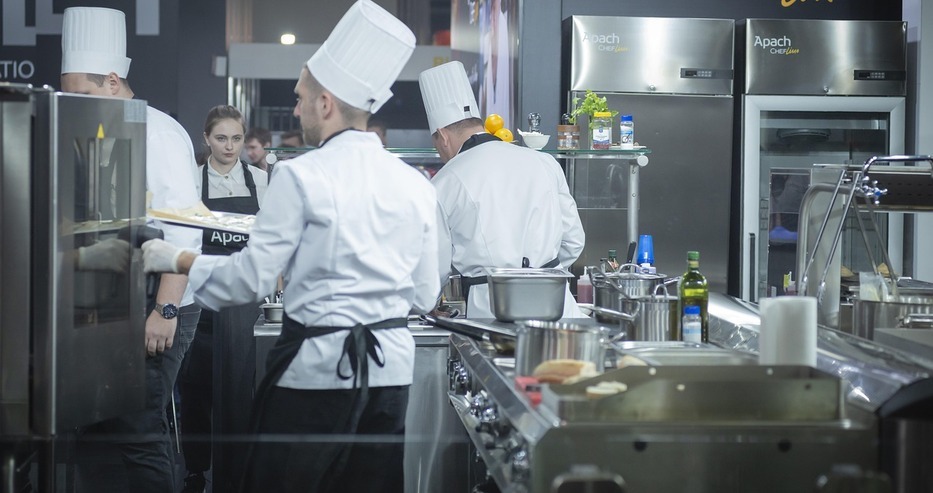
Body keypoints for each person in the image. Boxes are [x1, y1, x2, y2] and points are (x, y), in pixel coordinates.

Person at [141, 2, 439, 492]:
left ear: (325, 103)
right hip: (390, 374)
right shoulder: (415, 184)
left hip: (315, 374)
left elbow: (250, 279)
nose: (296, 110)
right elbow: (425, 295)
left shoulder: (300, 176)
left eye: (300, 98)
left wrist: (180, 258)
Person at [59, 7, 202, 493]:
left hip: (157, 303)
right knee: (97, 426)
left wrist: (165, 310)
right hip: (109, 303)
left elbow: (183, 232)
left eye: (79, 94)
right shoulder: (93, 131)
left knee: (138, 430)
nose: (70, 104)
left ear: (113, 81)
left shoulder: (156, 132)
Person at [419, 60, 585, 319]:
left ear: (443, 136)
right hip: (556, 308)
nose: (440, 153)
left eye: (437, 145)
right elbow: (573, 241)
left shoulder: (444, 182)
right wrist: (540, 274)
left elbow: (434, 268)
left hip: (492, 313)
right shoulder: (544, 162)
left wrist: (427, 303)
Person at [178, 105, 268, 493]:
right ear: (206, 139)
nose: (229, 147)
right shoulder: (191, 180)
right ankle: (195, 470)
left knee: (240, 390)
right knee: (196, 388)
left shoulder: (261, 180)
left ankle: (238, 474)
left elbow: (271, 242)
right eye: (221, 138)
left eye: (236, 139)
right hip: (201, 297)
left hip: (245, 301)